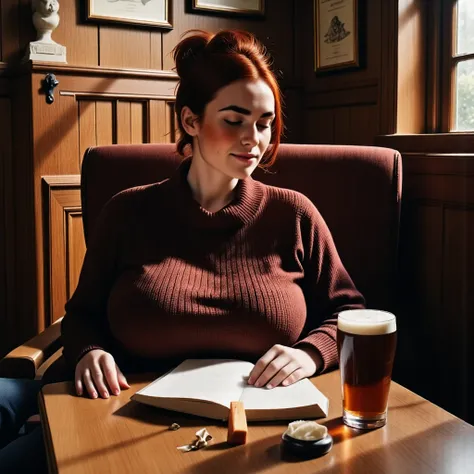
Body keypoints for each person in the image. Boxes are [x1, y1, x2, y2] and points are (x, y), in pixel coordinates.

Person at [0, 29, 364, 469]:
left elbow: (349, 314)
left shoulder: (294, 215)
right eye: (234, 120)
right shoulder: (128, 211)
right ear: (191, 121)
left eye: (264, 123)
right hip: (114, 408)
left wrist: (309, 353)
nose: (254, 139)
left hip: (247, 429)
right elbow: (82, 314)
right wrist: (88, 353)